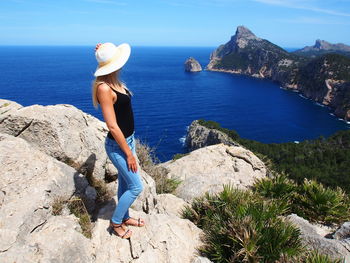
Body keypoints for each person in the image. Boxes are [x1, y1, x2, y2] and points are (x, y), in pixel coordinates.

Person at [91, 42, 145, 239]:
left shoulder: (115, 81)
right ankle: (115, 223)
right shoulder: (104, 88)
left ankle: (125, 216)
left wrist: (102, 53)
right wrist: (129, 154)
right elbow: (112, 126)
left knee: (124, 183)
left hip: (128, 140)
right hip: (117, 146)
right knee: (136, 187)